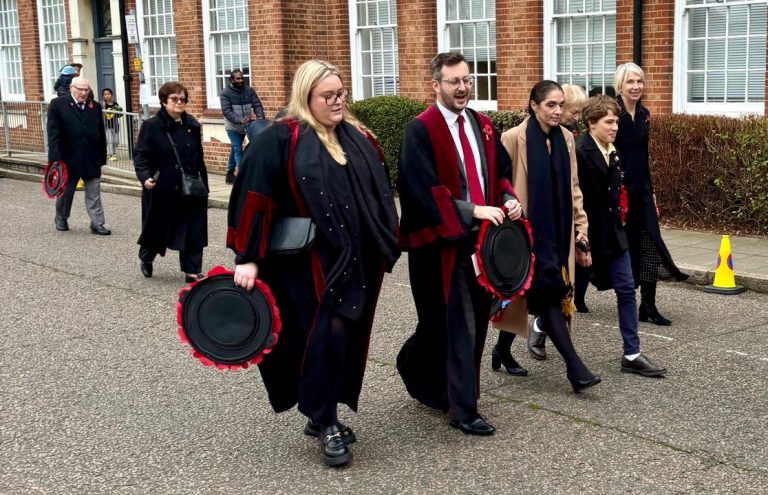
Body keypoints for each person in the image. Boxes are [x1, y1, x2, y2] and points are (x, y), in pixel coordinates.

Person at [227, 60, 399, 467]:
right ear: (306, 96)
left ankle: (322, 409)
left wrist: (386, 237)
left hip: (356, 259)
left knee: (345, 340)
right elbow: (253, 195)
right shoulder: (280, 139)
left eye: (341, 94)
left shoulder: (357, 137)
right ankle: (325, 422)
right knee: (322, 338)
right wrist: (247, 257)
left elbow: (379, 190)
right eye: (328, 96)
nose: (338, 102)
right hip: (307, 266)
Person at [396, 52, 522, 436]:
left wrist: (507, 199)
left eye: (467, 80)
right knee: (455, 324)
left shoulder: (482, 125)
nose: (463, 87)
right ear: (436, 85)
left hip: (481, 244)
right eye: (454, 81)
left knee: (472, 322)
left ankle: (427, 375)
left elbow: (499, 173)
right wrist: (472, 211)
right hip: (440, 246)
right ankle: (462, 409)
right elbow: (420, 191)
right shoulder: (421, 130)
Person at [493, 80, 600, 393]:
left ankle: (501, 350)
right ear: (534, 105)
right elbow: (499, 182)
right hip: (527, 234)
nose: (557, 111)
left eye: (560, 105)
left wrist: (581, 229)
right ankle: (575, 368)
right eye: (551, 105)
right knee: (548, 295)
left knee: (529, 297)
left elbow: (574, 188)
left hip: (559, 233)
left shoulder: (567, 139)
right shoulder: (513, 138)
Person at [576, 94, 666, 377]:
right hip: (587, 235)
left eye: (616, 122)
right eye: (609, 122)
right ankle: (540, 326)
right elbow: (574, 197)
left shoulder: (612, 149)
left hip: (615, 234)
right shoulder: (579, 151)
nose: (614, 127)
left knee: (627, 289)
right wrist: (579, 237)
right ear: (591, 123)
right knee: (562, 293)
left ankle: (632, 353)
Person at [614, 63, 688, 326]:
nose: (636, 86)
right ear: (620, 86)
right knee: (622, 246)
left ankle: (648, 305)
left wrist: (652, 191)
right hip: (619, 192)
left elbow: (643, 157)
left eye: (640, 81)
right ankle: (579, 293)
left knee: (650, 244)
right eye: (630, 82)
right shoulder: (612, 113)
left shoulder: (644, 114)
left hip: (642, 191)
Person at [133, 81, 208, 283]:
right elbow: (140, 156)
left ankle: (192, 270)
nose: (179, 102)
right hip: (162, 187)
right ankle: (147, 258)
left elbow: (198, 158)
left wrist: (204, 187)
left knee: (193, 229)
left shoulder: (192, 126)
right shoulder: (151, 127)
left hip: (190, 187)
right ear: (164, 101)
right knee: (157, 229)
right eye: (174, 99)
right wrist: (145, 176)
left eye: (183, 99)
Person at [47, 76, 110, 235]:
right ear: (71, 88)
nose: (83, 93)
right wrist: (55, 159)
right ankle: (61, 217)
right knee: (66, 192)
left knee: (94, 193)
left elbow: (100, 133)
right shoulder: (57, 105)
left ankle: (97, 223)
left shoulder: (94, 106)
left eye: (86, 90)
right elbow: (53, 134)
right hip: (68, 158)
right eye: (80, 89)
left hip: (91, 156)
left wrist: (102, 156)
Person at [220, 69, 266, 184]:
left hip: (246, 125)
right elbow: (226, 111)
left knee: (235, 148)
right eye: (238, 78)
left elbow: (257, 104)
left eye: (242, 78)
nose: (241, 80)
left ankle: (229, 174)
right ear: (232, 79)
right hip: (232, 126)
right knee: (238, 149)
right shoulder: (226, 93)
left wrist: (260, 117)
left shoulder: (249, 90)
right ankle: (241, 176)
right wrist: (239, 120)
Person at [102, 88, 123, 161]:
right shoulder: (103, 104)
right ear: (103, 96)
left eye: (108, 94)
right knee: (110, 140)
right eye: (105, 94)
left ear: (112, 95)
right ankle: (110, 154)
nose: (107, 96)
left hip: (115, 125)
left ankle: (110, 152)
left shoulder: (115, 104)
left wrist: (118, 111)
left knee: (116, 141)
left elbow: (120, 114)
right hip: (107, 126)